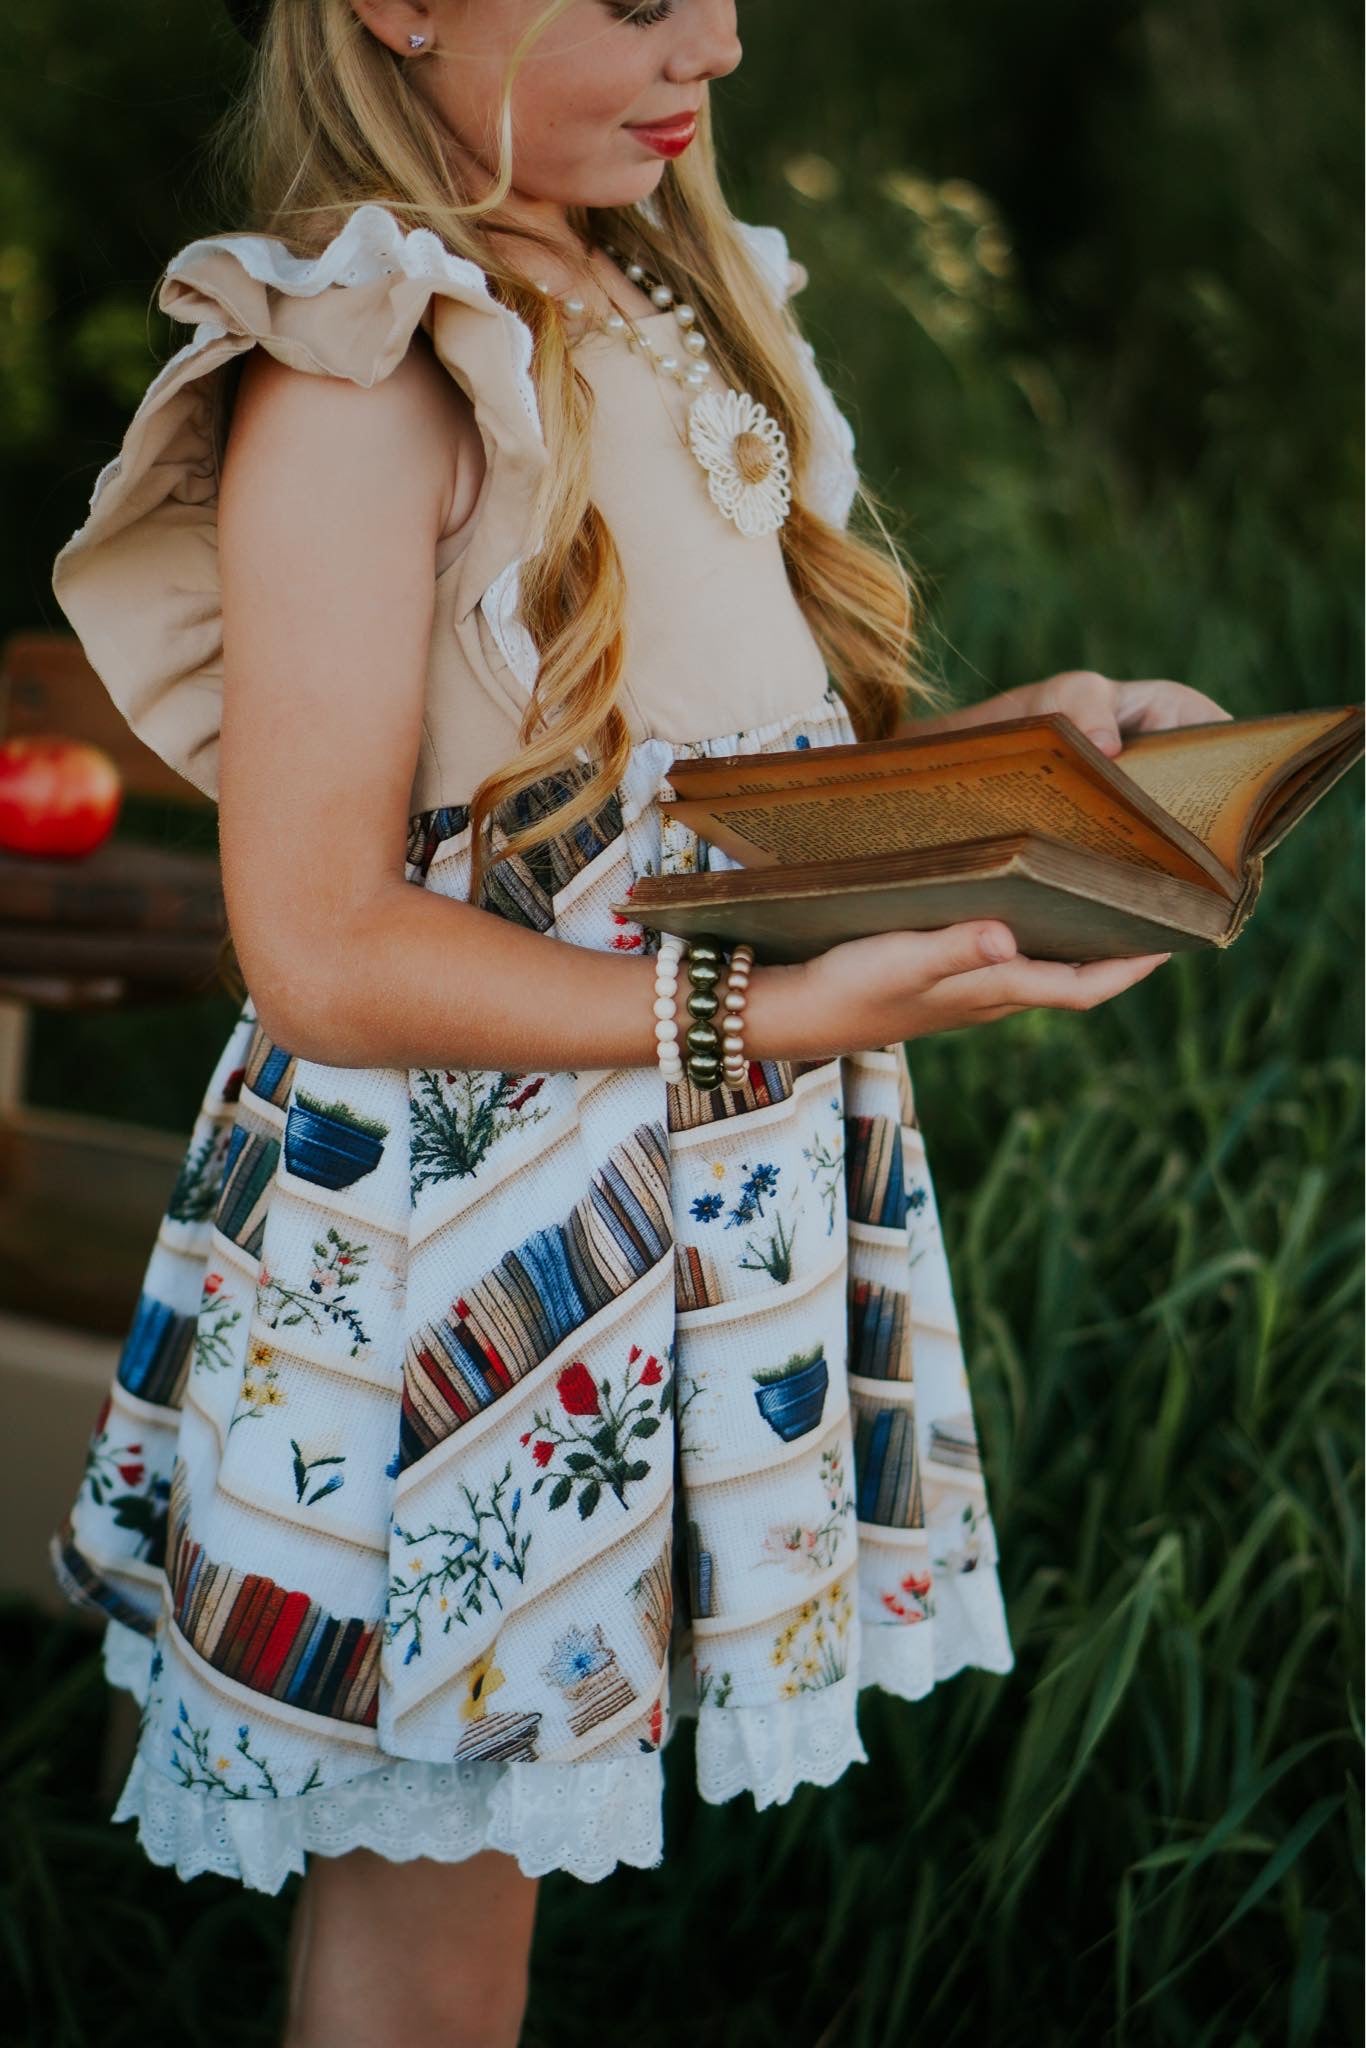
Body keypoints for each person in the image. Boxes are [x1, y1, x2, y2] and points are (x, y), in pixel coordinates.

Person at [47, 3, 1230, 2043]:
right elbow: (317, 946)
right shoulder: (359, 370)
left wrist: (1035, 749)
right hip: (457, 1281)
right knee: (424, 1906)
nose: (721, 42)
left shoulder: (657, 295)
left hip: (662, 1232)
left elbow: (719, 791)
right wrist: (761, 1021)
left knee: (486, 1873)